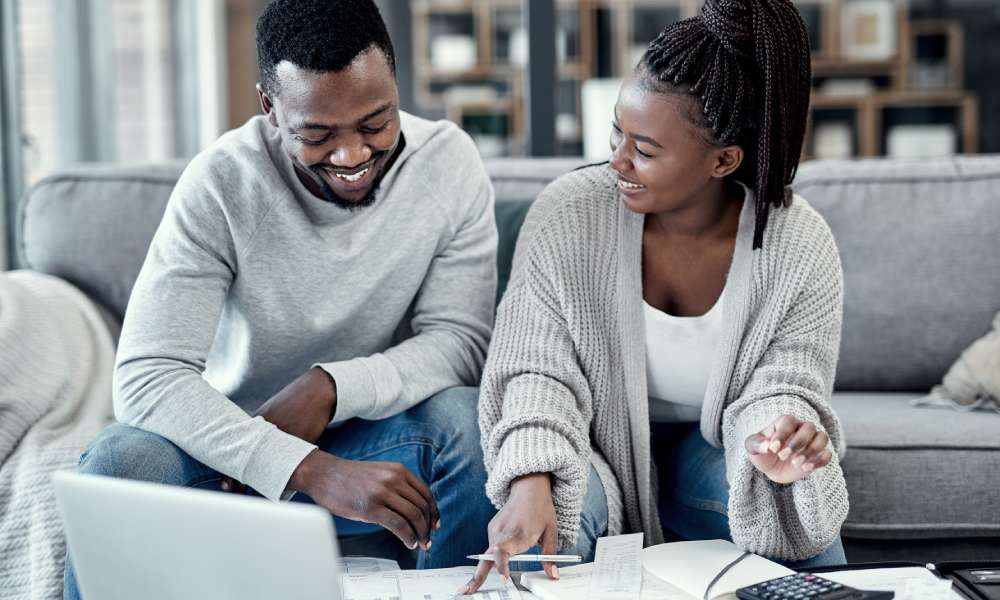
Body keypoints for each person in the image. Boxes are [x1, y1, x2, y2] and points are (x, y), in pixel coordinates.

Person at [64, 1, 498, 597]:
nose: (351, 156)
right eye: (317, 135)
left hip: (370, 432)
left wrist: (331, 388)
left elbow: (461, 342)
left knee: (467, 422)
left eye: (375, 124)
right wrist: (302, 466)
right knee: (119, 464)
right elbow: (146, 374)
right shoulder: (221, 185)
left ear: (397, 83)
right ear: (271, 108)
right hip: (229, 446)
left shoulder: (450, 164)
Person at [465, 0, 848, 592]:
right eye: (618, 130)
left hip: (718, 450)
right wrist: (530, 477)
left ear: (722, 160)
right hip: (589, 448)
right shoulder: (569, 213)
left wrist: (780, 441)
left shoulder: (798, 243)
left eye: (644, 150)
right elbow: (535, 368)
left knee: (792, 502)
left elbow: (789, 379)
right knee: (553, 518)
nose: (615, 160)